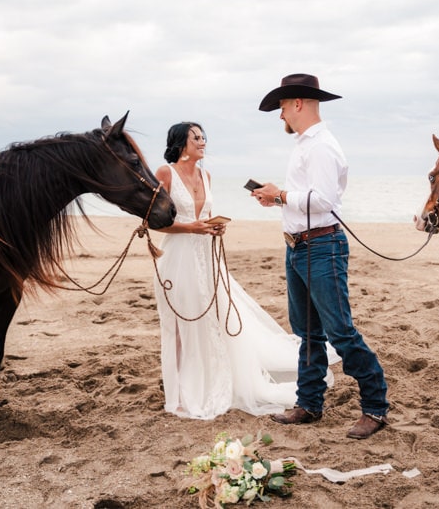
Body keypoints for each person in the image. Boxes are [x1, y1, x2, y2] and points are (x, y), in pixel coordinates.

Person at [151, 121, 335, 420]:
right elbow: (152, 221)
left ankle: (209, 383)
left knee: (210, 321)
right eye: (195, 137)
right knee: (178, 326)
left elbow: (206, 218)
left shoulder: (206, 175)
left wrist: (213, 227)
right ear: (180, 143)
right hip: (177, 257)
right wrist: (190, 228)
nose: (202, 141)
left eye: (203, 136)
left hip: (207, 255)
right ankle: (180, 395)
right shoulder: (164, 173)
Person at [252, 74, 390, 439]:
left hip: (322, 247)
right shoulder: (304, 145)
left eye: (282, 106)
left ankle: (375, 406)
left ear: (297, 103)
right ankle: (310, 403)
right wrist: (276, 198)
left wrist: (280, 195)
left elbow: (324, 201)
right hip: (299, 246)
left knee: (340, 332)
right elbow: (305, 197)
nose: (280, 113)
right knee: (307, 332)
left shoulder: (322, 147)